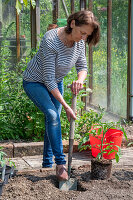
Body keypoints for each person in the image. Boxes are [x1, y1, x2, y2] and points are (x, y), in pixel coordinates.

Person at [23, 10, 100, 181]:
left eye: (87, 34)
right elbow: (48, 80)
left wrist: (80, 80)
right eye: (82, 32)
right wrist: (66, 106)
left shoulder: (80, 42)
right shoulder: (51, 40)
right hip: (35, 81)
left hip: (55, 82)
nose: (84, 37)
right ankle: (60, 164)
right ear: (72, 24)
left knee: (52, 119)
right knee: (53, 115)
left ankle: (45, 165)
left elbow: (82, 67)